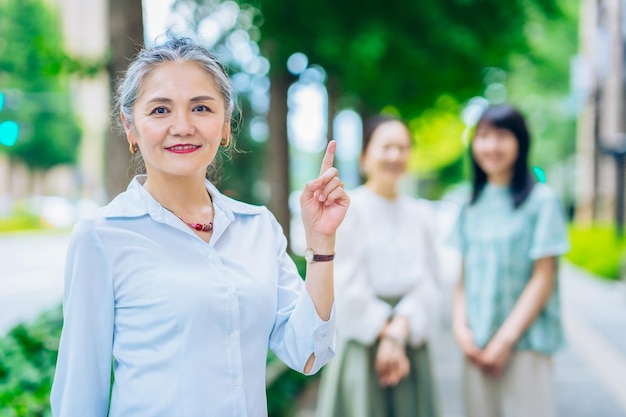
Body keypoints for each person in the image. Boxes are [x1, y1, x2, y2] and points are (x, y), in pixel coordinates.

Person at [50, 37, 349, 417]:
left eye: (201, 108)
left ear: (225, 126)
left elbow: (308, 353)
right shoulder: (102, 236)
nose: (182, 126)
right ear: (130, 127)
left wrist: (321, 244)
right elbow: (78, 397)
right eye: (160, 110)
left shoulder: (258, 227)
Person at [315, 115, 441, 417]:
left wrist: (400, 329)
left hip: (408, 335)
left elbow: (429, 279)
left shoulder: (421, 213)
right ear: (364, 156)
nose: (395, 155)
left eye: (403, 147)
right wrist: (386, 332)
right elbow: (344, 280)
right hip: (362, 341)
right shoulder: (348, 209)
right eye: (386, 146)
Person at [450, 103, 570, 417]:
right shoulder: (469, 205)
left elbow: (543, 278)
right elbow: (462, 277)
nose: (491, 146)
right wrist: (461, 330)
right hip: (476, 344)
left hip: (526, 344)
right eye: (484, 136)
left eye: (502, 136)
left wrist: (505, 340)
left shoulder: (542, 202)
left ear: (520, 142)